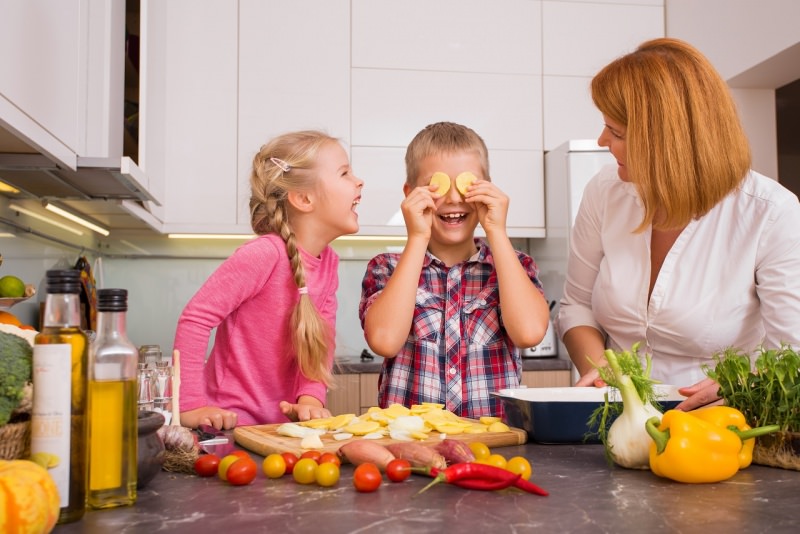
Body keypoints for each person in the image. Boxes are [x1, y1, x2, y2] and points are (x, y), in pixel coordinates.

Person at [557, 38, 800, 411]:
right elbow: (576, 306)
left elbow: (792, 353)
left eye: (617, 133)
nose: (602, 140)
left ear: (666, 143)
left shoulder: (771, 213)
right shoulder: (604, 192)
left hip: (717, 426)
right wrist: (601, 365)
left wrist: (737, 385)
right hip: (616, 420)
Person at [358, 121, 551, 418]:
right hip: (410, 447)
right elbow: (384, 340)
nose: (453, 198)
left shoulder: (515, 266)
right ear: (410, 193)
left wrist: (496, 230)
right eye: (437, 186)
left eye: (467, 184)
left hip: (492, 445)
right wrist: (418, 237)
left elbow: (528, 334)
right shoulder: (386, 267)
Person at [174, 130, 364, 429]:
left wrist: (310, 398)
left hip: (277, 429)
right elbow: (195, 319)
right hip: (227, 424)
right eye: (344, 173)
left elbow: (318, 344)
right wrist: (189, 406)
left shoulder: (328, 263)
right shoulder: (265, 254)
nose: (358, 180)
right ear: (303, 198)